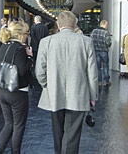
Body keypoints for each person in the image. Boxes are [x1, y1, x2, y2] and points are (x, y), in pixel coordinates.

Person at [35, 11, 98, 154]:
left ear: (58, 24)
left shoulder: (46, 42)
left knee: (57, 133)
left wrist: (47, 85)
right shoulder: (86, 41)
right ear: (75, 24)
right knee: (72, 135)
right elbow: (92, 73)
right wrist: (93, 96)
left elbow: (39, 71)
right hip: (78, 94)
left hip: (54, 93)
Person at [0, 21, 34, 154]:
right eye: (26, 33)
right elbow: (22, 71)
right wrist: (29, 57)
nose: (27, 36)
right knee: (18, 126)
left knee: (8, 124)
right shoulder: (20, 49)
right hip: (18, 91)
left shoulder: (4, 46)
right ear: (20, 34)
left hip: (2, 90)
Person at [90, 20, 112, 86]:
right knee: (105, 66)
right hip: (104, 51)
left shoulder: (94, 31)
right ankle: (106, 81)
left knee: (98, 67)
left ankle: (99, 81)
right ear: (104, 24)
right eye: (107, 25)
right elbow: (108, 43)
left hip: (96, 51)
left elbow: (91, 40)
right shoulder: (106, 33)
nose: (107, 26)